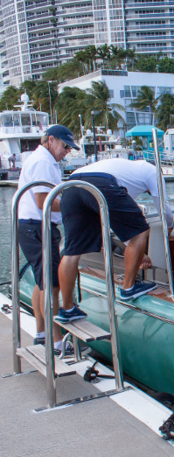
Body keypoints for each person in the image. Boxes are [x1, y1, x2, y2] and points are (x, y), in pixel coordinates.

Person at [56, 158, 174, 322]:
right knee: (142, 230)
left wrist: (139, 254)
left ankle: (67, 308)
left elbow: (121, 225)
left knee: (72, 251)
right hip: (100, 183)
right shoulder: (153, 172)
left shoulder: (127, 171)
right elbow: (163, 207)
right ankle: (128, 288)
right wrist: (169, 227)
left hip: (72, 184)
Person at [17, 125, 79, 354]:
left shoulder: (43, 159)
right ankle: (56, 342)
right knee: (52, 285)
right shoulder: (43, 161)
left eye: (69, 148)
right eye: (64, 146)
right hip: (37, 227)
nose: (66, 152)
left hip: (31, 227)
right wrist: (75, 205)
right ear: (50, 140)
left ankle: (42, 333)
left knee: (41, 281)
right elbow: (43, 200)